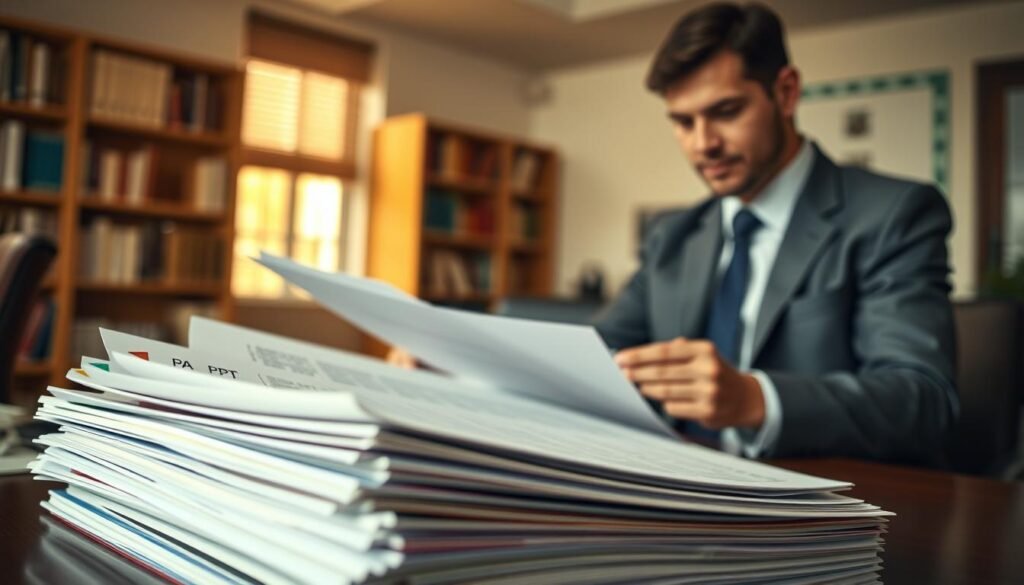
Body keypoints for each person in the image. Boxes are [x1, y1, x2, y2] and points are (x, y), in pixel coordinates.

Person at [599, 2, 957, 465]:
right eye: (683, 123)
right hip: (672, 487)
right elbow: (603, 350)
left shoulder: (894, 215)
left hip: (817, 507)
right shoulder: (673, 234)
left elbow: (923, 400)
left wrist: (755, 399)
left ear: (786, 93)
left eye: (725, 111)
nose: (702, 143)